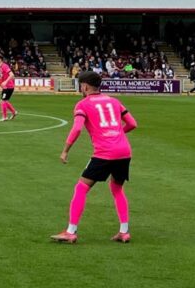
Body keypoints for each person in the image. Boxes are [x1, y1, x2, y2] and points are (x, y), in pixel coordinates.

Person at [51, 71, 137, 244]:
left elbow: (76, 129)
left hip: (105, 152)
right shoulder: (114, 101)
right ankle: (124, 231)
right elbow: (133, 124)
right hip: (124, 151)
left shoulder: (83, 104)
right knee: (117, 189)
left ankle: (71, 231)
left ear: (85, 86)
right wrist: (116, 134)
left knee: (81, 188)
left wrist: (65, 150)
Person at [0, 55, 18, 121]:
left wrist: (5, 82)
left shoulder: (4, 66)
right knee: (3, 101)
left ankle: (4, 117)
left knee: (3, 101)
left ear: (0, 59)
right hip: (6, 87)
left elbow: (12, 75)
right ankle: (14, 112)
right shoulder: (0, 67)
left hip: (8, 87)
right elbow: (10, 76)